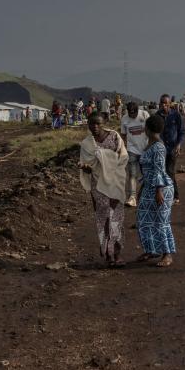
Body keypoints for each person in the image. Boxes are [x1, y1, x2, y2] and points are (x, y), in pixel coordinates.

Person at [78, 114, 129, 267]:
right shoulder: (87, 144)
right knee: (103, 218)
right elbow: (87, 167)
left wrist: (108, 163)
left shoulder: (114, 137)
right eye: (92, 124)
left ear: (104, 123)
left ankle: (117, 253)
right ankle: (108, 255)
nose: (95, 127)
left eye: (98, 124)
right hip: (98, 186)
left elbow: (123, 158)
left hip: (115, 182)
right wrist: (86, 168)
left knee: (116, 218)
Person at [137, 114, 176, 267]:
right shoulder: (150, 144)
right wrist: (143, 188)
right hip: (149, 187)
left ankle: (167, 254)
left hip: (160, 188)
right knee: (143, 220)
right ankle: (151, 249)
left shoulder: (159, 147)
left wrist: (158, 190)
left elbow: (159, 169)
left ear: (147, 128)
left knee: (161, 221)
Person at [158, 94, 185, 203]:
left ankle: (174, 196)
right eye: (162, 103)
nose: (164, 105)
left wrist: (179, 144)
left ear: (170, 104)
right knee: (163, 171)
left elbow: (182, 131)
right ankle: (172, 194)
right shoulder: (157, 116)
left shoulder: (175, 115)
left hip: (173, 149)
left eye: (166, 103)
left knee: (169, 171)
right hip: (161, 149)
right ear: (160, 104)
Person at [120, 102, 149, 207]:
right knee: (132, 175)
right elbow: (123, 135)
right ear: (127, 111)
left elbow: (150, 130)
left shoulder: (144, 115)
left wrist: (150, 146)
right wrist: (122, 148)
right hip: (131, 150)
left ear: (138, 110)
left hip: (145, 149)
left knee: (146, 174)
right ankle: (132, 198)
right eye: (130, 113)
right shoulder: (124, 119)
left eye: (134, 113)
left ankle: (146, 196)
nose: (133, 115)